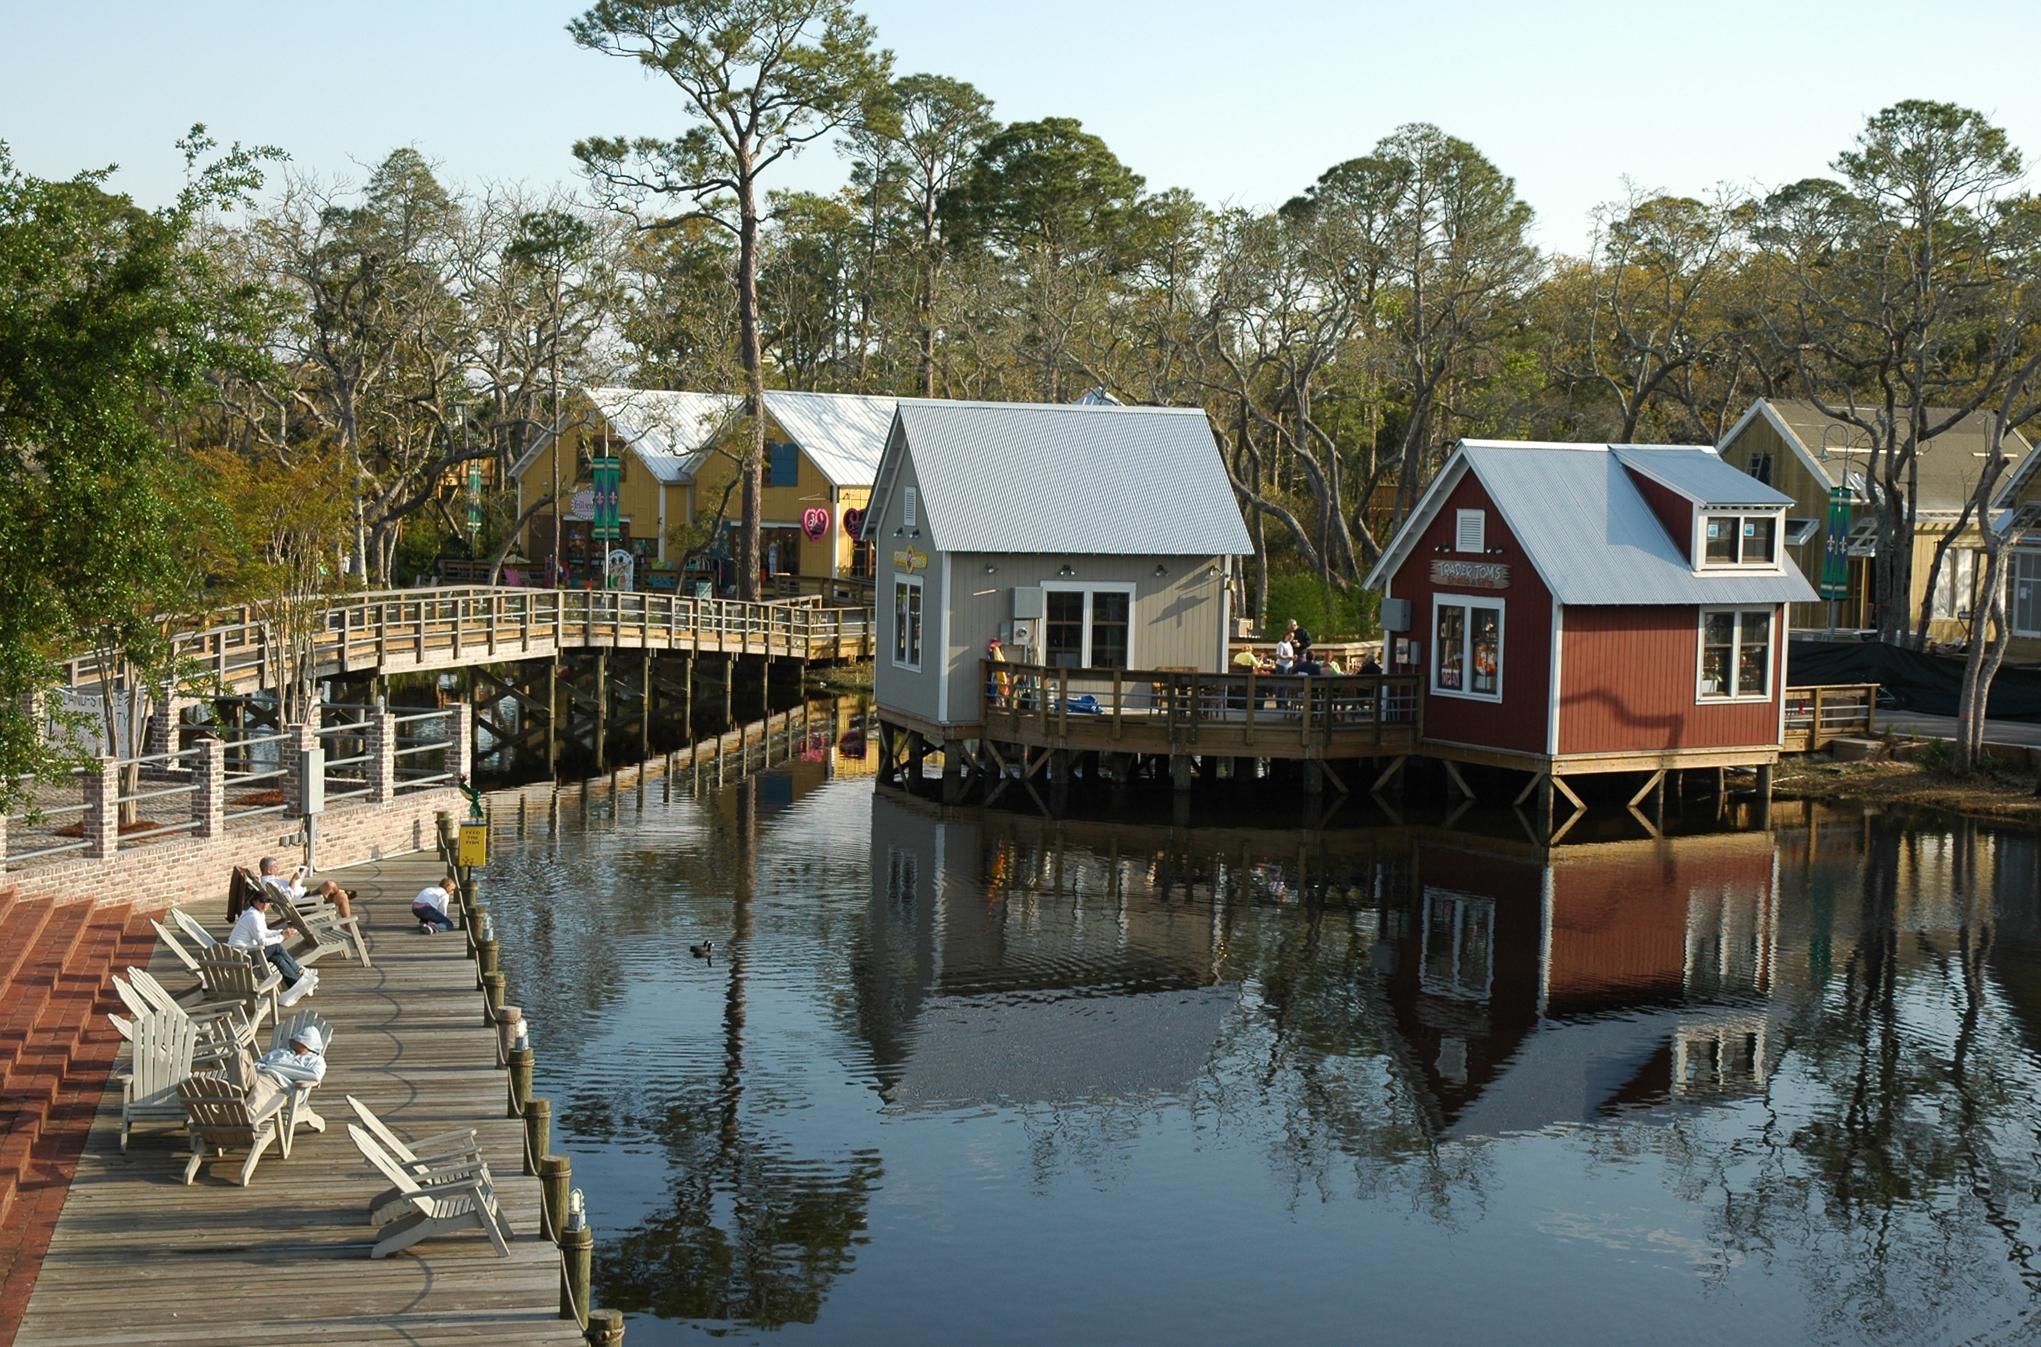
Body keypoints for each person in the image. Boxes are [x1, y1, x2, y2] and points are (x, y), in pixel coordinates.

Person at [227, 889, 317, 1005]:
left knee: (277, 958)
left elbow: (264, 932)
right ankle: (299, 971)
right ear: (254, 901)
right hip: (242, 957)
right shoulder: (252, 917)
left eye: (268, 902)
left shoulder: (257, 913)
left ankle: (295, 983)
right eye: (262, 901)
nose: (266, 905)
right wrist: (282, 937)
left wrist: (282, 932)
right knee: (276, 947)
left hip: (247, 952)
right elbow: (262, 941)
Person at [259, 855, 354, 921]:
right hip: (302, 905)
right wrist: (293, 881)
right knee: (330, 885)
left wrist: (297, 881)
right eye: (275, 866)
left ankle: (349, 929)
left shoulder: (271, 881)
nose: (278, 868)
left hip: (304, 898)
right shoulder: (269, 884)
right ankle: (339, 892)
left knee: (341, 897)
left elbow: (287, 893)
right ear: (269, 870)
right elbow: (287, 899)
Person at [255, 1023, 327, 1091]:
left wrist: (273, 1068)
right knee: (244, 1056)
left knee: (257, 1093)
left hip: (277, 1086)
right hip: (256, 1077)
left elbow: (315, 1076)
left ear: (307, 1045)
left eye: (299, 1041)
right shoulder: (280, 1052)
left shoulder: (316, 1060)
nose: (293, 1042)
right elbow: (256, 1064)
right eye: (294, 1040)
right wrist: (263, 1068)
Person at [986, 636, 1012, 706]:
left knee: (995, 685)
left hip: (997, 672)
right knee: (994, 685)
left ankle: (993, 700)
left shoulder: (995, 651)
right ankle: (992, 700)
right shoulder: (995, 651)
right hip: (996, 672)